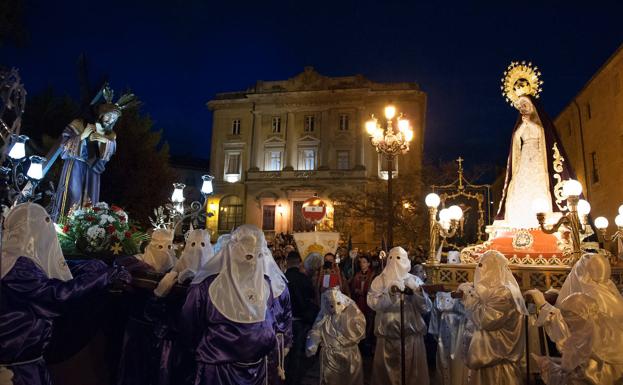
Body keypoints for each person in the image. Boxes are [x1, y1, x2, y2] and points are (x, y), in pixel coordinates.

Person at [0, 202, 130, 385]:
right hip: (18, 372)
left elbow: (53, 265)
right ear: (33, 229)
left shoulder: (11, 259)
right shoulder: (18, 266)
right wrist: (105, 278)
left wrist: (92, 266)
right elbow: (56, 294)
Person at [181, 224, 279, 385]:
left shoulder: (266, 285)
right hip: (218, 372)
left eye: (259, 255)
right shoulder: (205, 287)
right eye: (249, 256)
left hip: (257, 370)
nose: (254, 263)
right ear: (232, 251)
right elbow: (189, 328)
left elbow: (270, 320)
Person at [526, 253, 623, 384]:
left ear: (581, 272)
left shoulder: (584, 299)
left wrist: (543, 305)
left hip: (592, 370)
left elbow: (567, 335)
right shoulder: (611, 293)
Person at [52, 84, 138, 221]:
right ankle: (63, 228)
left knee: (89, 203)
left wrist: (104, 141)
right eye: (108, 116)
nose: (111, 120)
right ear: (101, 114)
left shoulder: (110, 135)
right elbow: (63, 147)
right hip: (75, 167)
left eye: (114, 119)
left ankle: (84, 232)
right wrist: (82, 137)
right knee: (72, 198)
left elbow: (107, 156)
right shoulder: (79, 124)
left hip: (93, 171)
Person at [495, 88, 576, 229]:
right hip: (525, 156)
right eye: (520, 107)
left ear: (532, 106)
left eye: (525, 105)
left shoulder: (540, 124)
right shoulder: (521, 126)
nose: (522, 109)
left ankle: (545, 219)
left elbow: (542, 134)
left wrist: (530, 123)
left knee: (538, 182)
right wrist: (523, 125)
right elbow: (516, 138)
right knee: (522, 184)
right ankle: (521, 220)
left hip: (538, 156)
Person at [456, 250, 527, 385]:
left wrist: (469, 296)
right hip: (485, 359)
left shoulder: (503, 292)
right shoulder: (494, 290)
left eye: (483, 266)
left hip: (497, 362)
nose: (479, 270)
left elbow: (486, 320)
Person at [367, 246, 431, 385]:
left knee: (411, 373)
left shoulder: (414, 280)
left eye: (399, 258)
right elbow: (373, 303)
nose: (396, 262)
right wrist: (389, 293)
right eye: (392, 258)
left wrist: (418, 292)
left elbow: (426, 307)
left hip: (410, 334)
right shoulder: (380, 280)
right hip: (387, 333)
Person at [306, 288, 365, 385]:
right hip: (330, 356)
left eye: (338, 303)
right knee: (331, 380)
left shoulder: (351, 314)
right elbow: (316, 329)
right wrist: (312, 343)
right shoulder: (324, 316)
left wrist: (348, 330)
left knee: (351, 380)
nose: (335, 309)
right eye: (331, 305)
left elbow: (359, 327)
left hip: (350, 354)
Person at [284, 251, 317, 385]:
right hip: (300, 320)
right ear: (299, 263)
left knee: (284, 352)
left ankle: (284, 377)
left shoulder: (281, 277)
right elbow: (311, 296)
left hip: (285, 322)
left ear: (287, 262)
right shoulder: (304, 279)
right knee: (297, 352)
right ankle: (294, 379)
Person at [429, 292, 466, 385]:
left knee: (458, 362)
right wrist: (435, 331)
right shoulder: (440, 295)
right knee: (443, 358)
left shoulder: (467, 291)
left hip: (461, 329)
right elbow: (435, 314)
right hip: (444, 329)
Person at [350, 254, 376, 354]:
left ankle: (367, 344)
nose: (362, 264)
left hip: (367, 302)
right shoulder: (357, 275)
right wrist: (355, 290)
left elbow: (373, 289)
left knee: (368, 322)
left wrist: (364, 292)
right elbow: (352, 287)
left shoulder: (372, 275)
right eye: (361, 262)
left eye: (364, 262)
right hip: (359, 302)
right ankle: (359, 343)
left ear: (369, 264)